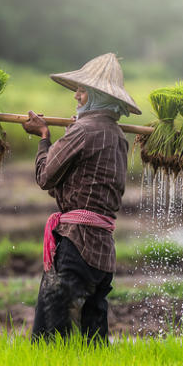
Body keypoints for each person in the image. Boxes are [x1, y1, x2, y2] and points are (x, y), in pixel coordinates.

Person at [22, 53, 142, 342]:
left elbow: (45, 178)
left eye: (82, 90)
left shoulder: (84, 131)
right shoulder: (116, 135)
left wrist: (43, 137)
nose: (76, 95)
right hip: (102, 252)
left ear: (98, 96)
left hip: (77, 244)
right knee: (93, 336)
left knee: (50, 333)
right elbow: (75, 183)